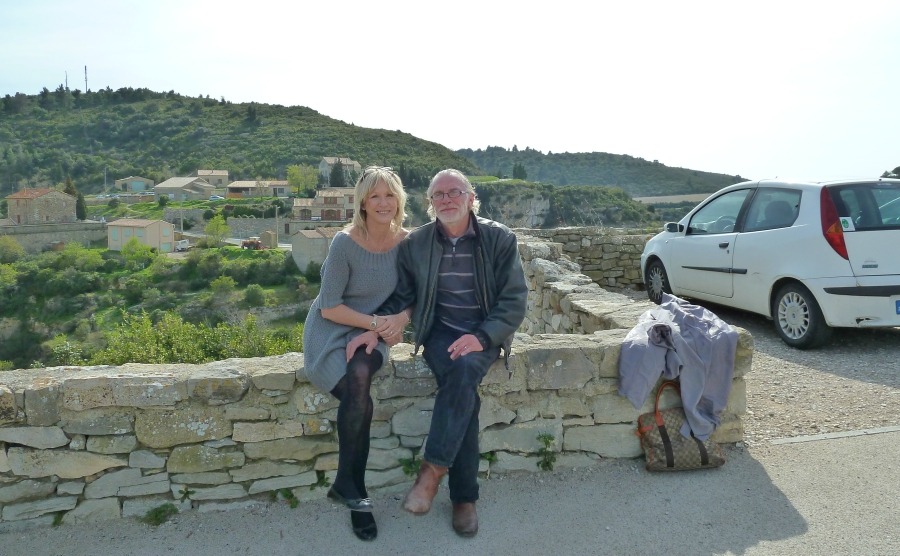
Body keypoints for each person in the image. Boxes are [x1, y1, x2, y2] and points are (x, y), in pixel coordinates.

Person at [350, 168, 527, 537]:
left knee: (463, 374)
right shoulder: (417, 244)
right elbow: (404, 297)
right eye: (438, 195)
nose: (447, 199)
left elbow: (513, 301)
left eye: (454, 192)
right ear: (430, 204)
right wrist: (377, 332)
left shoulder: (499, 239)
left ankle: (431, 476)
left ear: (471, 197)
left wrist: (483, 337)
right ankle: (463, 498)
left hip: (483, 331)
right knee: (464, 392)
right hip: (440, 332)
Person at [301, 166, 411, 542]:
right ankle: (356, 490)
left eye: (390, 195)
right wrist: (376, 324)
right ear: (362, 202)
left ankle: (350, 488)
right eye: (375, 196)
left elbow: (415, 297)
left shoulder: (408, 243)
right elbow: (330, 307)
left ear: (399, 200)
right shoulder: (344, 243)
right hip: (332, 328)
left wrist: (394, 322)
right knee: (357, 394)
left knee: (360, 376)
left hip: (373, 329)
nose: (383, 202)